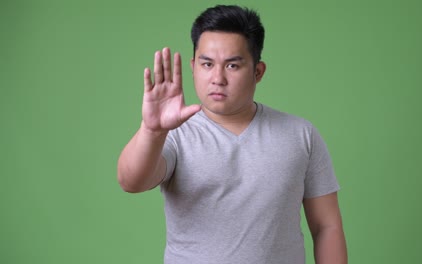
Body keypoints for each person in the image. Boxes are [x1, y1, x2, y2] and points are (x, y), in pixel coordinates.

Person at [117, 4, 347, 264]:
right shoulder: (174, 134)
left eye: (232, 66)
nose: (217, 78)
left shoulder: (301, 135)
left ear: (257, 71)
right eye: (207, 64)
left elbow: (327, 227)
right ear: (193, 66)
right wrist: (151, 130)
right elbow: (131, 182)